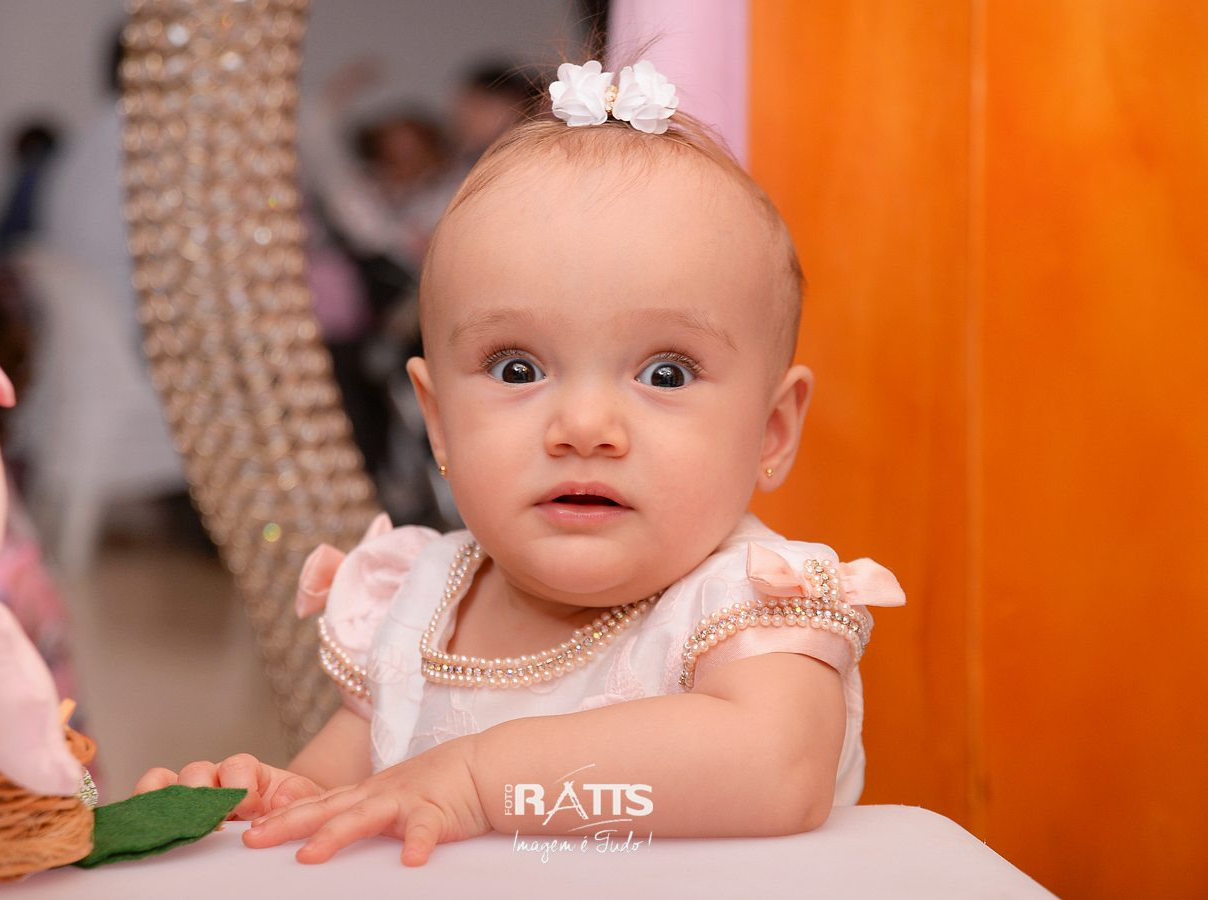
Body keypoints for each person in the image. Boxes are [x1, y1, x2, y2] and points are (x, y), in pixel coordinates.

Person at [135, 59, 905, 867]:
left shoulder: (747, 605)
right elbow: (341, 811)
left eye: (665, 374)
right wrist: (260, 806)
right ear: (439, 422)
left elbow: (773, 771)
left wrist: (476, 779)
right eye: (516, 368)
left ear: (771, 433)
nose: (583, 428)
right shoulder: (415, 604)